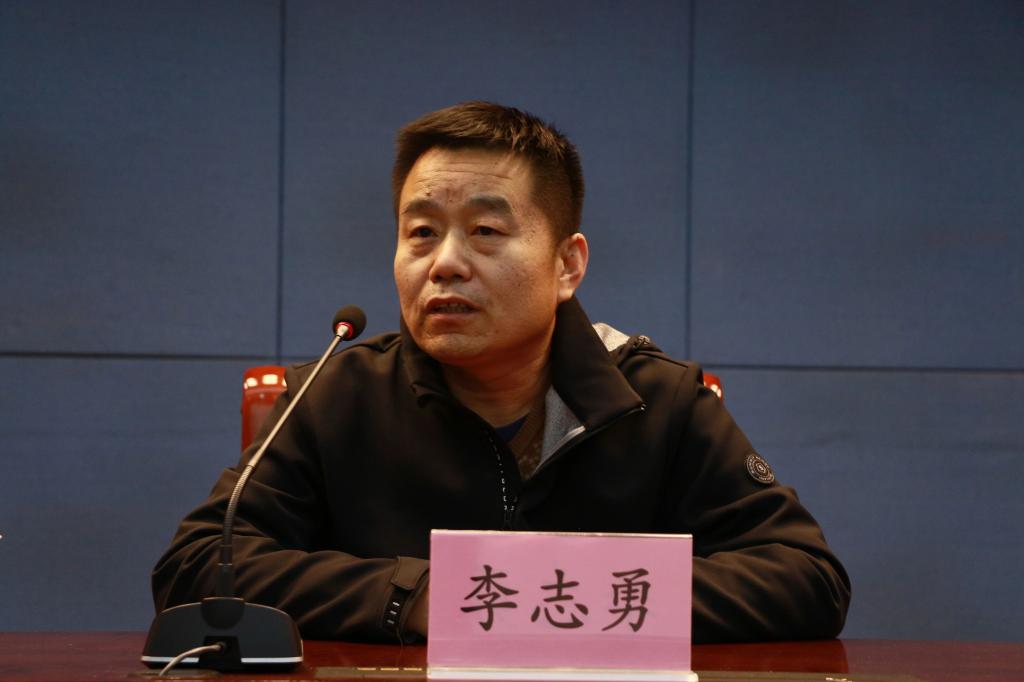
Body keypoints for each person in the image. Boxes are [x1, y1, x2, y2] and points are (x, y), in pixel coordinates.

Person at [152, 102, 850, 644]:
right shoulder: (337, 394)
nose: (445, 263)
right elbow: (197, 566)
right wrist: (414, 597)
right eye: (421, 232)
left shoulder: (655, 399)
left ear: (567, 265)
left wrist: (551, 599)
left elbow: (806, 578)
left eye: (486, 232)